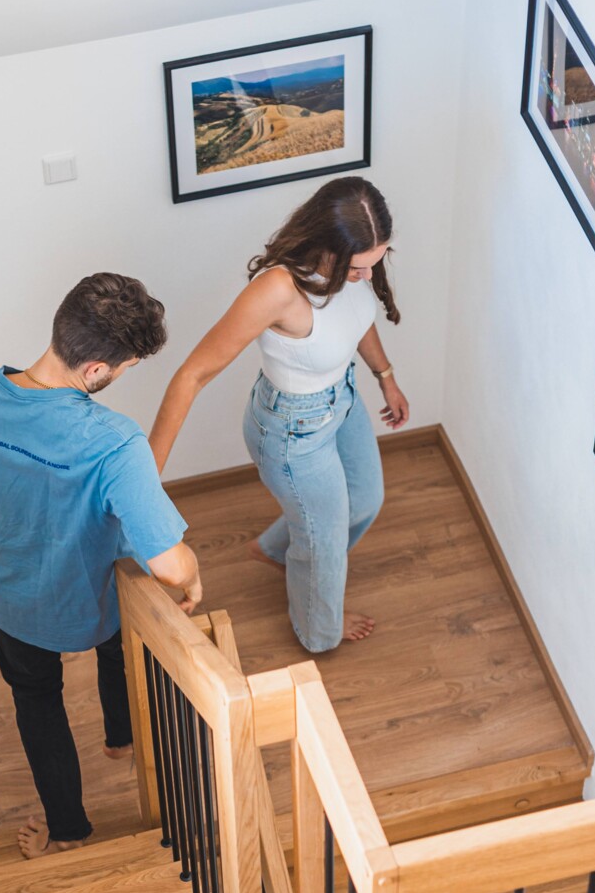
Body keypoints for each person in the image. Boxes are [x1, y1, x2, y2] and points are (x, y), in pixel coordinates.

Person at [0, 272, 202, 859]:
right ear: (96, 371)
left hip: (12, 597)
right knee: (118, 648)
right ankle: (122, 738)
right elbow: (166, 564)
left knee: (37, 705)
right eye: (127, 367)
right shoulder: (113, 441)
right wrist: (190, 574)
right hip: (97, 596)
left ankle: (66, 831)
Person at [149, 176, 408, 652]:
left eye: (376, 264)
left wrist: (385, 376)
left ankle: (275, 551)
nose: (368, 277)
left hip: (343, 402)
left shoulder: (355, 274)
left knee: (365, 501)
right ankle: (319, 633)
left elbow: (357, 321)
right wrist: (146, 481)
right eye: (357, 269)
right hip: (293, 430)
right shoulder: (278, 290)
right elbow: (192, 374)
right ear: (326, 249)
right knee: (325, 542)